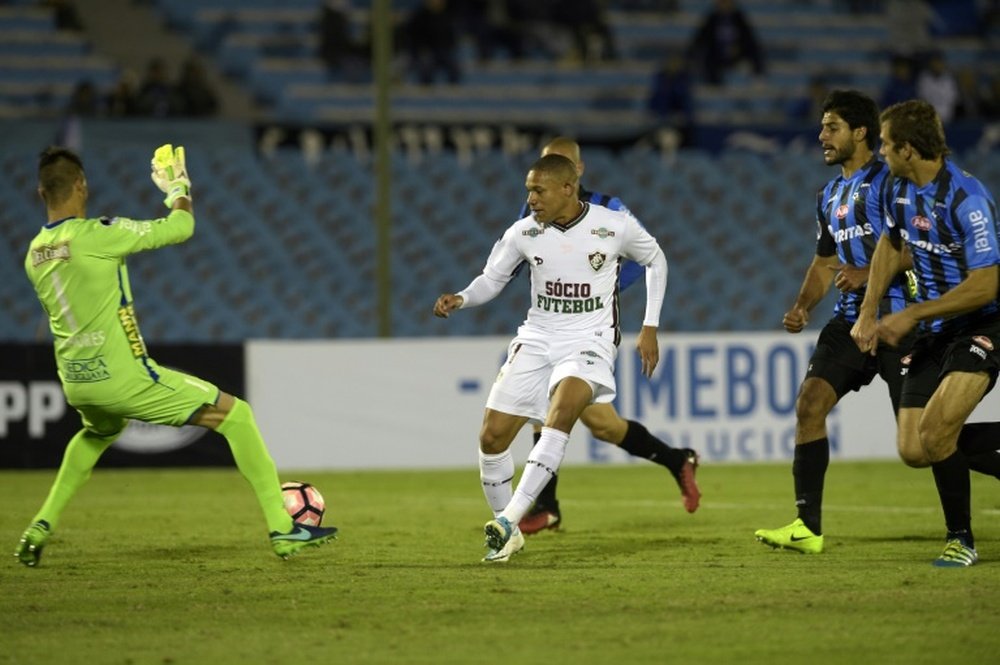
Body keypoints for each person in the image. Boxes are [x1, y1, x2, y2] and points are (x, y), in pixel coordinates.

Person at [15, 145, 337, 566]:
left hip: (76, 379)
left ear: (41, 193)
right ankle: (283, 529)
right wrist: (177, 187)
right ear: (81, 185)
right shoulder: (99, 233)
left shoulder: (34, 253)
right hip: (122, 376)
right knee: (236, 415)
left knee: (98, 433)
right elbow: (181, 226)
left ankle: (40, 525)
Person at [433, 153, 668, 562]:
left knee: (560, 413)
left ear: (567, 188)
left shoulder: (613, 225)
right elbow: (493, 279)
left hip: (590, 339)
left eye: (538, 191)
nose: (532, 199)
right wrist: (462, 298)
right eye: (528, 191)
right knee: (491, 437)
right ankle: (508, 533)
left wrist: (650, 325)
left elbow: (656, 259)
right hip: (538, 338)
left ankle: (508, 521)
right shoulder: (523, 232)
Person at [754, 90, 916, 555]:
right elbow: (825, 263)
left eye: (832, 127)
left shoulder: (888, 183)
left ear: (860, 132)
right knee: (809, 405)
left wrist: (870, 274)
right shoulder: (828, 195)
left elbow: (915, 247)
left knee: (923, 442)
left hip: (898, 323)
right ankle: (807, 526)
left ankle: (959, 528)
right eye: (823, 127)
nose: (821, 136)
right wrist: (804, 304)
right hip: (848, 323)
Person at [514, 137, 700, 536]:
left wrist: (605, 287)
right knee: (605, 426)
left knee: (544, 404)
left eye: (561, 165)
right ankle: (677, 460)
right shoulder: (534, 207)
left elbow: (648, 258)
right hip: (551, 325)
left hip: (589, 329)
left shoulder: (610, 209)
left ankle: (547, 507)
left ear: (577, 172)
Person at [851, 99, 1000, 567]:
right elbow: (890, 247)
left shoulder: (967, 199)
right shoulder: (897, 188)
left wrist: (913, 312)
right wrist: (868, 312)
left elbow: (985, 285)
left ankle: (962, 540)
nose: (881, 152)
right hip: (933, 328)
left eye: (886, 144)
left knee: (938, 432)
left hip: (983, 322)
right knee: (916, 448)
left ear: (909, 149)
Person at [687, 0, 765, 85]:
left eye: (727, 2)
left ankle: (758, 76)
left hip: (736, 53)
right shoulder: (713, 18)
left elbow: (749, 38)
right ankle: (714, 83)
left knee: (754, 50)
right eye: (722, 2)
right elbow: (700, 38)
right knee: (708, 58)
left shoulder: (739, 17)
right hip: (718, 54)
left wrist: (738, 47)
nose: (724, 5)